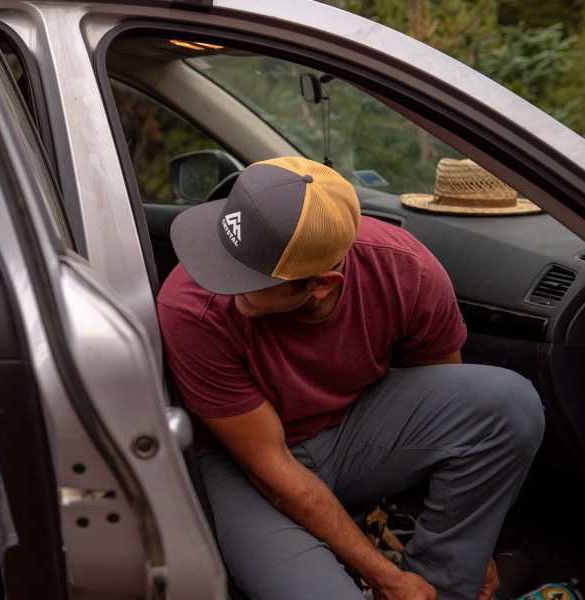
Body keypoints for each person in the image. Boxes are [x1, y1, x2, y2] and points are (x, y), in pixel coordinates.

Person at [156, 156, 544, 600]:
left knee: (507, 404)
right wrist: (385, 577)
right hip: (246, 466)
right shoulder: (190, 306)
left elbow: (454, 408)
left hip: (354, 430)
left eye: (246, 277)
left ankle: (442, 590)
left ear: (321, 283)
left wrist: (470, 549)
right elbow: (273, 470)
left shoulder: (406, 269)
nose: (216, 280)